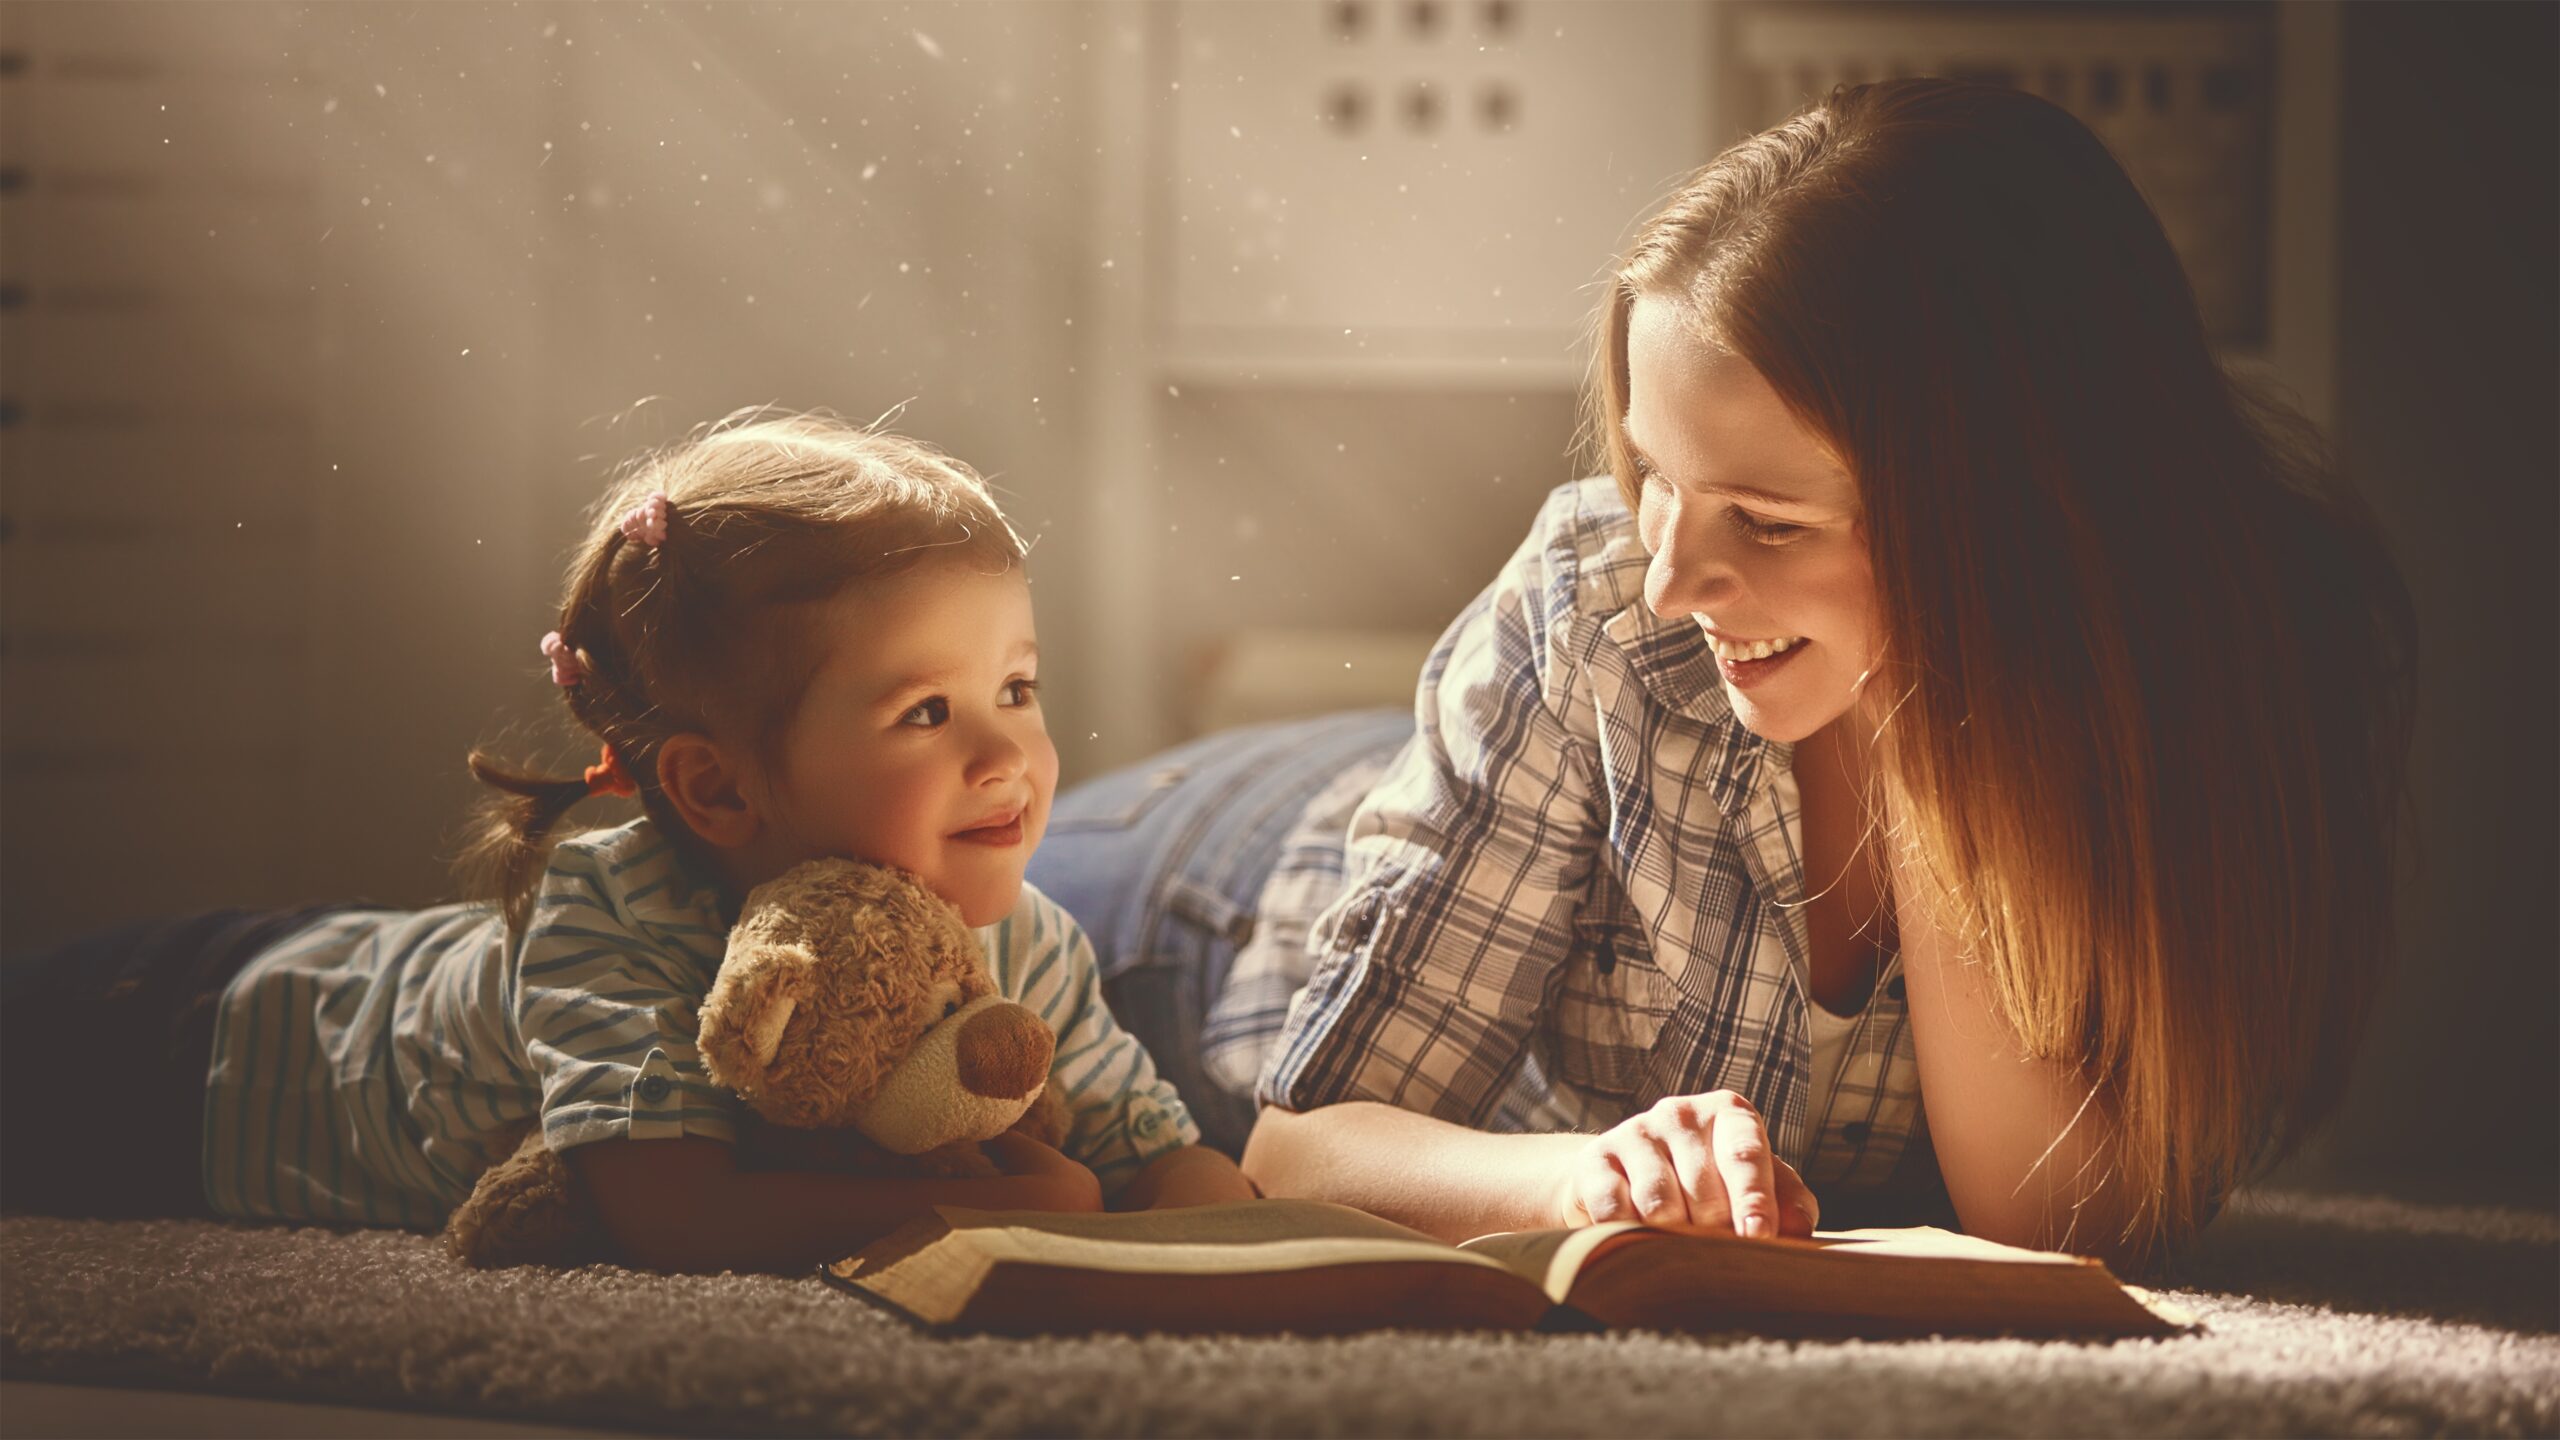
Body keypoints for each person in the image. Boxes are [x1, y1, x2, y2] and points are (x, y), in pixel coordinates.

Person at [1030, 79, 2415, 1273]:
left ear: (2014, 525)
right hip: (1191, 895)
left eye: (1768, 520)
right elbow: (1303, 1145)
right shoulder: (1598, 607)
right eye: (1656, 481)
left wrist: (1935, 718)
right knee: (920, 947)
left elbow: (2055, 1223)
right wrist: (1579, 1184)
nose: (1676, 580)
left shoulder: (2213, 680)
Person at [0, 410, 1252, 1272]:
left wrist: (1228, 1228)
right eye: (926, 712)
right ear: (716, 792)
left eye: (1017, 692)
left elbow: (1152, 1155)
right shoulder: (619, 904)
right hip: (196, 1047)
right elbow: (666, 1211)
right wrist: (1018, 1202)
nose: (1007, 758)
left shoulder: (1024, 940)